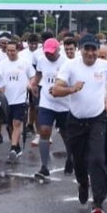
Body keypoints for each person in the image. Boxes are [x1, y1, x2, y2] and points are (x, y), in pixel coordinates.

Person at [52, 35, 107, 213]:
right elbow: (56, 90)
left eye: (93, 49)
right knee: (78, 162)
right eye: (86, 49)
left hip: (98, 119)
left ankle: (98, 202)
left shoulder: (105, 66)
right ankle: (83, 183)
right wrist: (71, 89)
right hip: (75, 120)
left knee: (97, 159)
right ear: (80, 50)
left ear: (98, 50)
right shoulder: (70, 66)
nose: (90, 53)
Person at [33, 37, 70, 179]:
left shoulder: (67, 63)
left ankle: (71, 158)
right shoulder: (42, 61)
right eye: (47, 52)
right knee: (44, 130)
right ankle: (44, 166)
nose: (49, 55)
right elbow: (38, 73)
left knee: (66, 134)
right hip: (47, 102)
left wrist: (61, 89)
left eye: (52, 52)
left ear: (58, 50)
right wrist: (34, 84)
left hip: (64, 104)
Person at [0, 39, 38, 162]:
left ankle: (13, 148)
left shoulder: (25, 63)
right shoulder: (2, 64)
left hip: (20, 98)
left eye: (13, 50)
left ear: (18, 50)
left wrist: (30, 85)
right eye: (8, 50)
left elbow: (33, 77)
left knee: (17, 123)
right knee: (10, 125)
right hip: (6, 99)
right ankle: (16, 146)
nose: (10, 53)